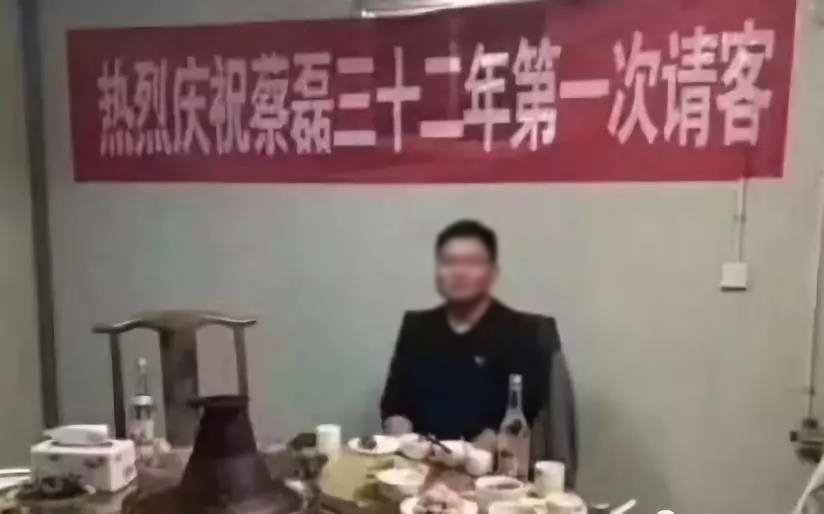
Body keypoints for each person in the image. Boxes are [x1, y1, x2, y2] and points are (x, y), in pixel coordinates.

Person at [380, 220, 552, 450]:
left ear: (492, 273)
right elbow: (394, 405)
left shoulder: (522, 333)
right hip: (418, 460)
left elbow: (517, 421)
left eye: (472, 262)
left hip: (486, 464)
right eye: (449, 262)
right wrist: (404, 441)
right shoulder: (416, 327)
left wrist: (470, 456)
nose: (459, 272)